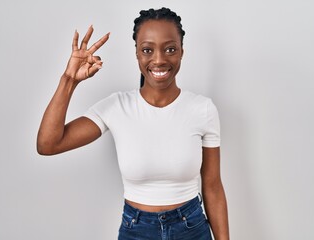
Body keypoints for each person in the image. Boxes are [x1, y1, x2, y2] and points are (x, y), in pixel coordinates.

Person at [37, 7, 229, 240]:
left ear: (181, 52)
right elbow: (48, 144)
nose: (159, 60)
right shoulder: (116, 107)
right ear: (137, 54)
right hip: (137, 230)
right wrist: (69, 80)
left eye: (170, 49)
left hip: (192, 228)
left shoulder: (203, 109)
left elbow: (212, 185)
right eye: (147, 50)